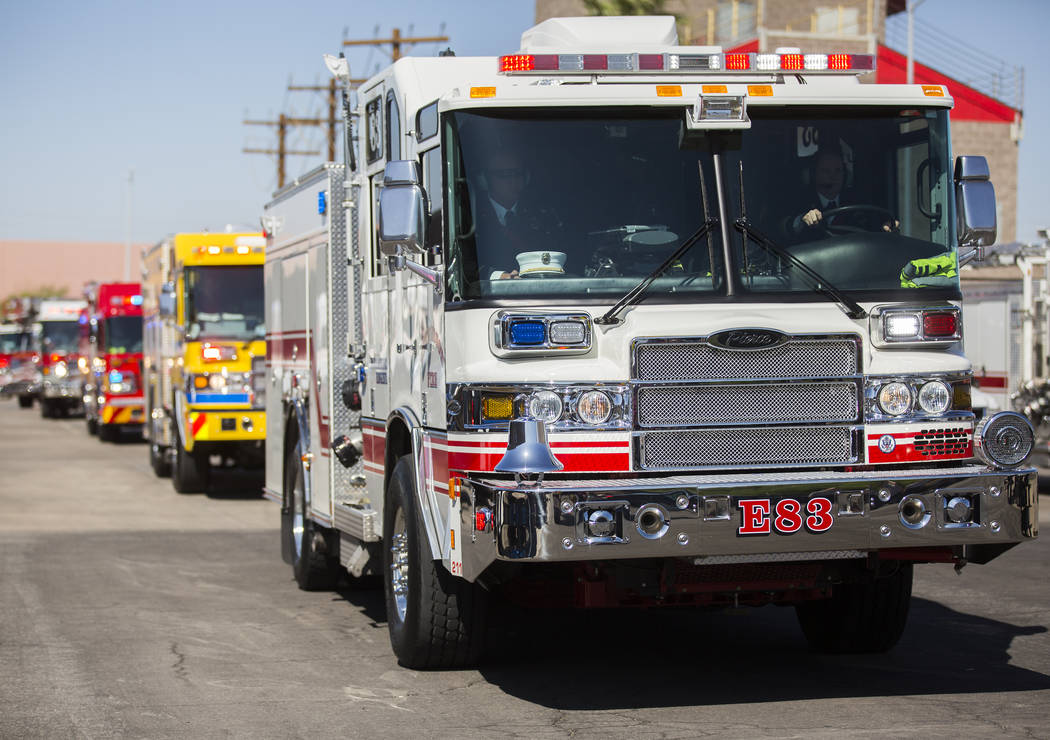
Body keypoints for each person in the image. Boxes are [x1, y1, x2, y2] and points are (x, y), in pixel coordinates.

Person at [474, 149, 555, 280]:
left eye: (517, 173)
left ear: (526, 178)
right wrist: (500, 276)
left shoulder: (542, 213)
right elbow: (466, 266)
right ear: (485, 179)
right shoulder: (472, 216)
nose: (513, 180)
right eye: (504, 174)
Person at [785, 147, 898, 237]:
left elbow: (873, 225)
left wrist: (885, 226)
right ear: (813, 174)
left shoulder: (856, 201)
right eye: (826, 171)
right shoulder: (801, 200)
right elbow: (785, 226)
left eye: (838, 170)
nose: (833, 176)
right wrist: (802, 220)